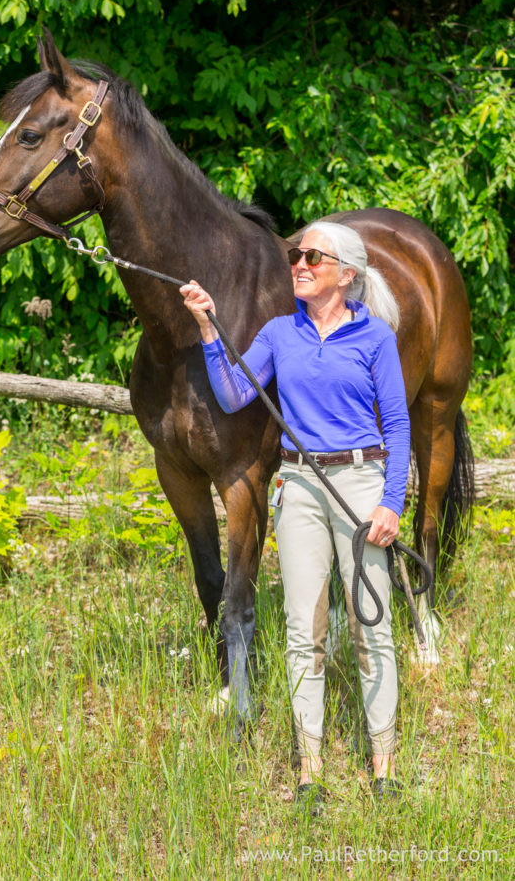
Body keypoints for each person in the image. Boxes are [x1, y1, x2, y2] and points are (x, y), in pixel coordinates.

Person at [180, 221, 410, 809]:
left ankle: (384, 763)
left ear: (347, 274)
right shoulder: (280, 332)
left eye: (312, 256)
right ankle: (310, 768)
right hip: (300, 485)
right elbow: (234, 394)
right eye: (295, 255)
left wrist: (391, 502)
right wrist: (208, 326)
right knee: (303, 631)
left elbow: (398, 424)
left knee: (371, 627)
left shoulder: (376, 338)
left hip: (360, 482)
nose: (299, 264)